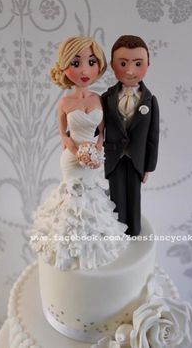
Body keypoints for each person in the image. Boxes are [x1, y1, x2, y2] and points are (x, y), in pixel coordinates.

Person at [30, 36, 128, 270]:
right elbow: (63, 135)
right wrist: (77, 151)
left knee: (92, 196)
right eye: (76, 63)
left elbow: (102, 131)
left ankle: (95, 244)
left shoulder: (98, 99)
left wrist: (95, 149)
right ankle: (68, 248)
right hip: (72, 159)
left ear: (99, 65)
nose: (85, 70)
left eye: (91, 62)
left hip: (94, 157)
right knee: (73, 197)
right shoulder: (64, 103)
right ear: (64, 66)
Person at [102, 35, 160, 236]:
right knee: (116, 196)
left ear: (148, 65)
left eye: (138, 63)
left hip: (137, 158)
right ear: (112, 65)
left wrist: (149, 167)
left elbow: (153, 137)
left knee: (134, 196)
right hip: (114, 157)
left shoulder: (150, 101)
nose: (129, 70)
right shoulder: (106, 98)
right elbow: (97, 125)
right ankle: (116, 233)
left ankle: (133, 231)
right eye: (123, 63)